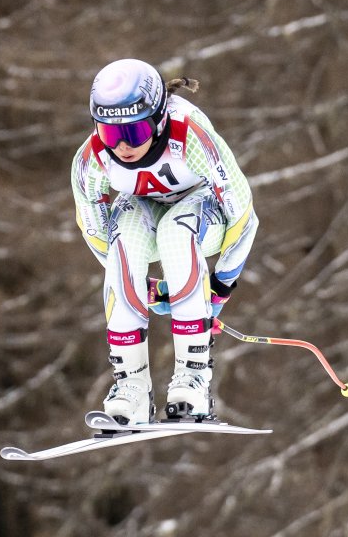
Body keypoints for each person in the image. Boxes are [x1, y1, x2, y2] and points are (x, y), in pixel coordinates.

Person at [71, 58, 258, 425]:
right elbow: (94, 231)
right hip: (143, 209)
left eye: (135, 133)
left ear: (157, 120)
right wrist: (140, 286)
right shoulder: (91, 159)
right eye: (111, 134)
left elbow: (243, 215)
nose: (123, 147)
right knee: (122, 245)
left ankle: (193, 378)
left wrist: (220, 285)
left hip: (201, 210)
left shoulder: (189, 137)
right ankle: (132, 388)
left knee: (176, 233)